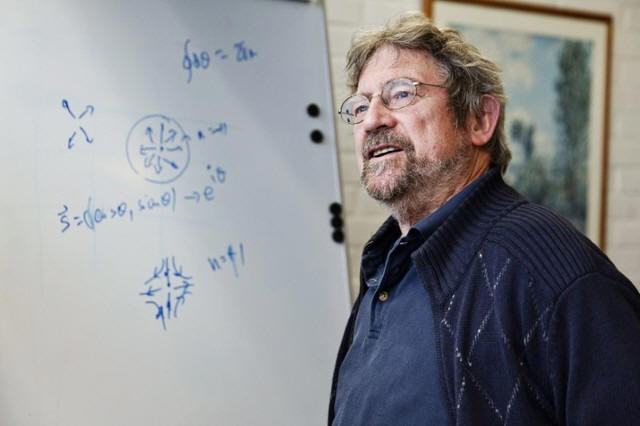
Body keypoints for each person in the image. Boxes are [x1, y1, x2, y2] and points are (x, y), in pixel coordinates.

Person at [329, 11, 640, 426]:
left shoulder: (556, 273)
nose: (372, 120)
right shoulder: (386, 268)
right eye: (361, 105)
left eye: (400, 93)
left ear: (479, 120)